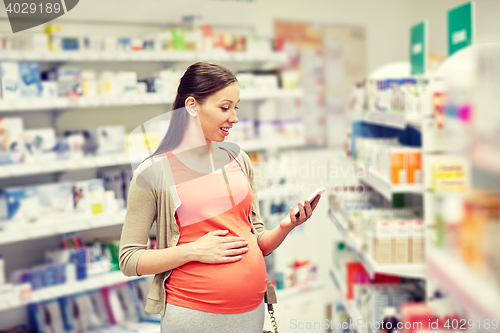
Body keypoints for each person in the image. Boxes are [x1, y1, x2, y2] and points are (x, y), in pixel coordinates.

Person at [119, 62, 321, 333]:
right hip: (194, 314)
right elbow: (129, 260)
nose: (234, 117)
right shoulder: (154, 172)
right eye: (225, 107)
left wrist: (285, 227)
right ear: (191, 106)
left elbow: (256, 239)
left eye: (236, 107)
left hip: (251, 311)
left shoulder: (238, 159)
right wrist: (193, 251)